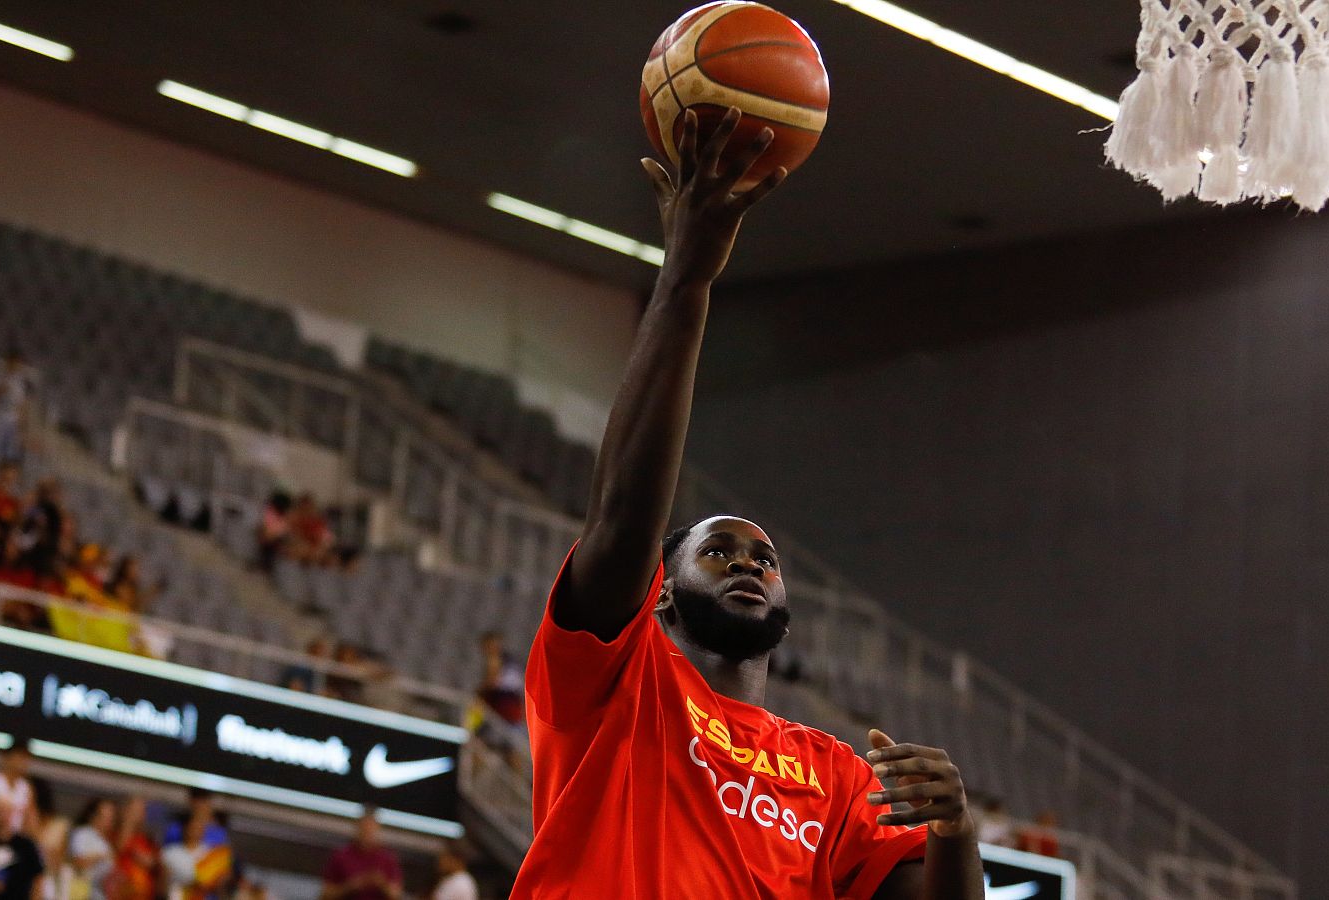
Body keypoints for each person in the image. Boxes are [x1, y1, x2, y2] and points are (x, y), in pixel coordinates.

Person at [511, 109, 982, 899]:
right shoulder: (614, 686)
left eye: (765, 557)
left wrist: (956, 833)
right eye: (719, 550)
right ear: (658, 593)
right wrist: (685, 281)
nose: (748, 563)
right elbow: (625, 514)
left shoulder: (835, 775)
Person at [318, 808, 399, 900]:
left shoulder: (388, 859)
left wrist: (381, 883)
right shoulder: (341, 856)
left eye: (370, 830)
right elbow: (325, 895)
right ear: (357, 828)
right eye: (364, 829)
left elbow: (396, 895)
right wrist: (350, 886)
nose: (367, 834)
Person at [159, 811, 230, 900]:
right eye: (193, 826)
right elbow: (161, 883)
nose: (196, 829)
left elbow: (219, 885)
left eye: (199, 826)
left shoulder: (212, 854)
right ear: (185, 827)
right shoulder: (169, 853)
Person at [0, 355, 32, 466]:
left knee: (9, 454)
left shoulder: (20, 384)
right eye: (13, 364)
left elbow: (22, 405)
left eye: (18, 365)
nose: (15, 367)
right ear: (8, 363)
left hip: (12, 421)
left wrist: (22, 427)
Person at [0, 742, 37, 840]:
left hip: (14, 840)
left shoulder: (26, 788)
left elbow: (31, 820)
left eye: (26, 758)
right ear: (7, 757)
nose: (23, 762)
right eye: (19, 757)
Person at [107, 797, 158, 900]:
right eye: (135, 809)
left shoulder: (146, 838)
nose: (139, 814)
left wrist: (143, 858)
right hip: (119, 892)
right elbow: (118, 848)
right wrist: (128, 821)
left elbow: (153, 862)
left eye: (141, 810)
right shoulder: (113, 832)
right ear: (126, 810)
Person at [67, 798, 117, 900]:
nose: (109, 819)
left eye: (111, 816)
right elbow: (77, 862)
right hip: (79, 893)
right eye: (105, 815)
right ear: (93, 815)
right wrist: (99, 857)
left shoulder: (106, 842)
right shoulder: (82, 834)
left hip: (99, 894)